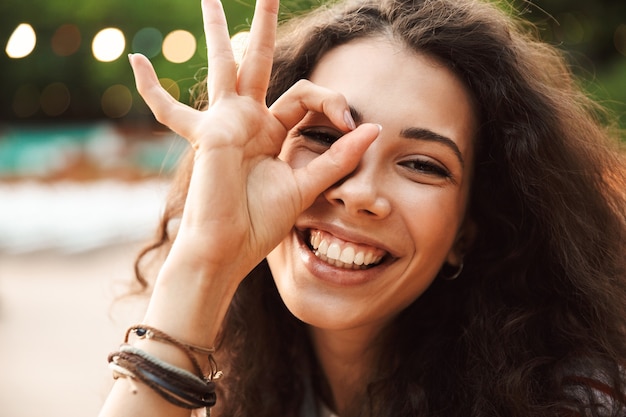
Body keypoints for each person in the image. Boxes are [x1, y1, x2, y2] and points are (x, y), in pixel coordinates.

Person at [99, 0, 626, 416]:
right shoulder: (224, 382)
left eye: (423, 165)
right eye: (325, 137)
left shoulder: (570, 399)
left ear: (468, 231)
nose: (356, 192)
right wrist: (205, 262)